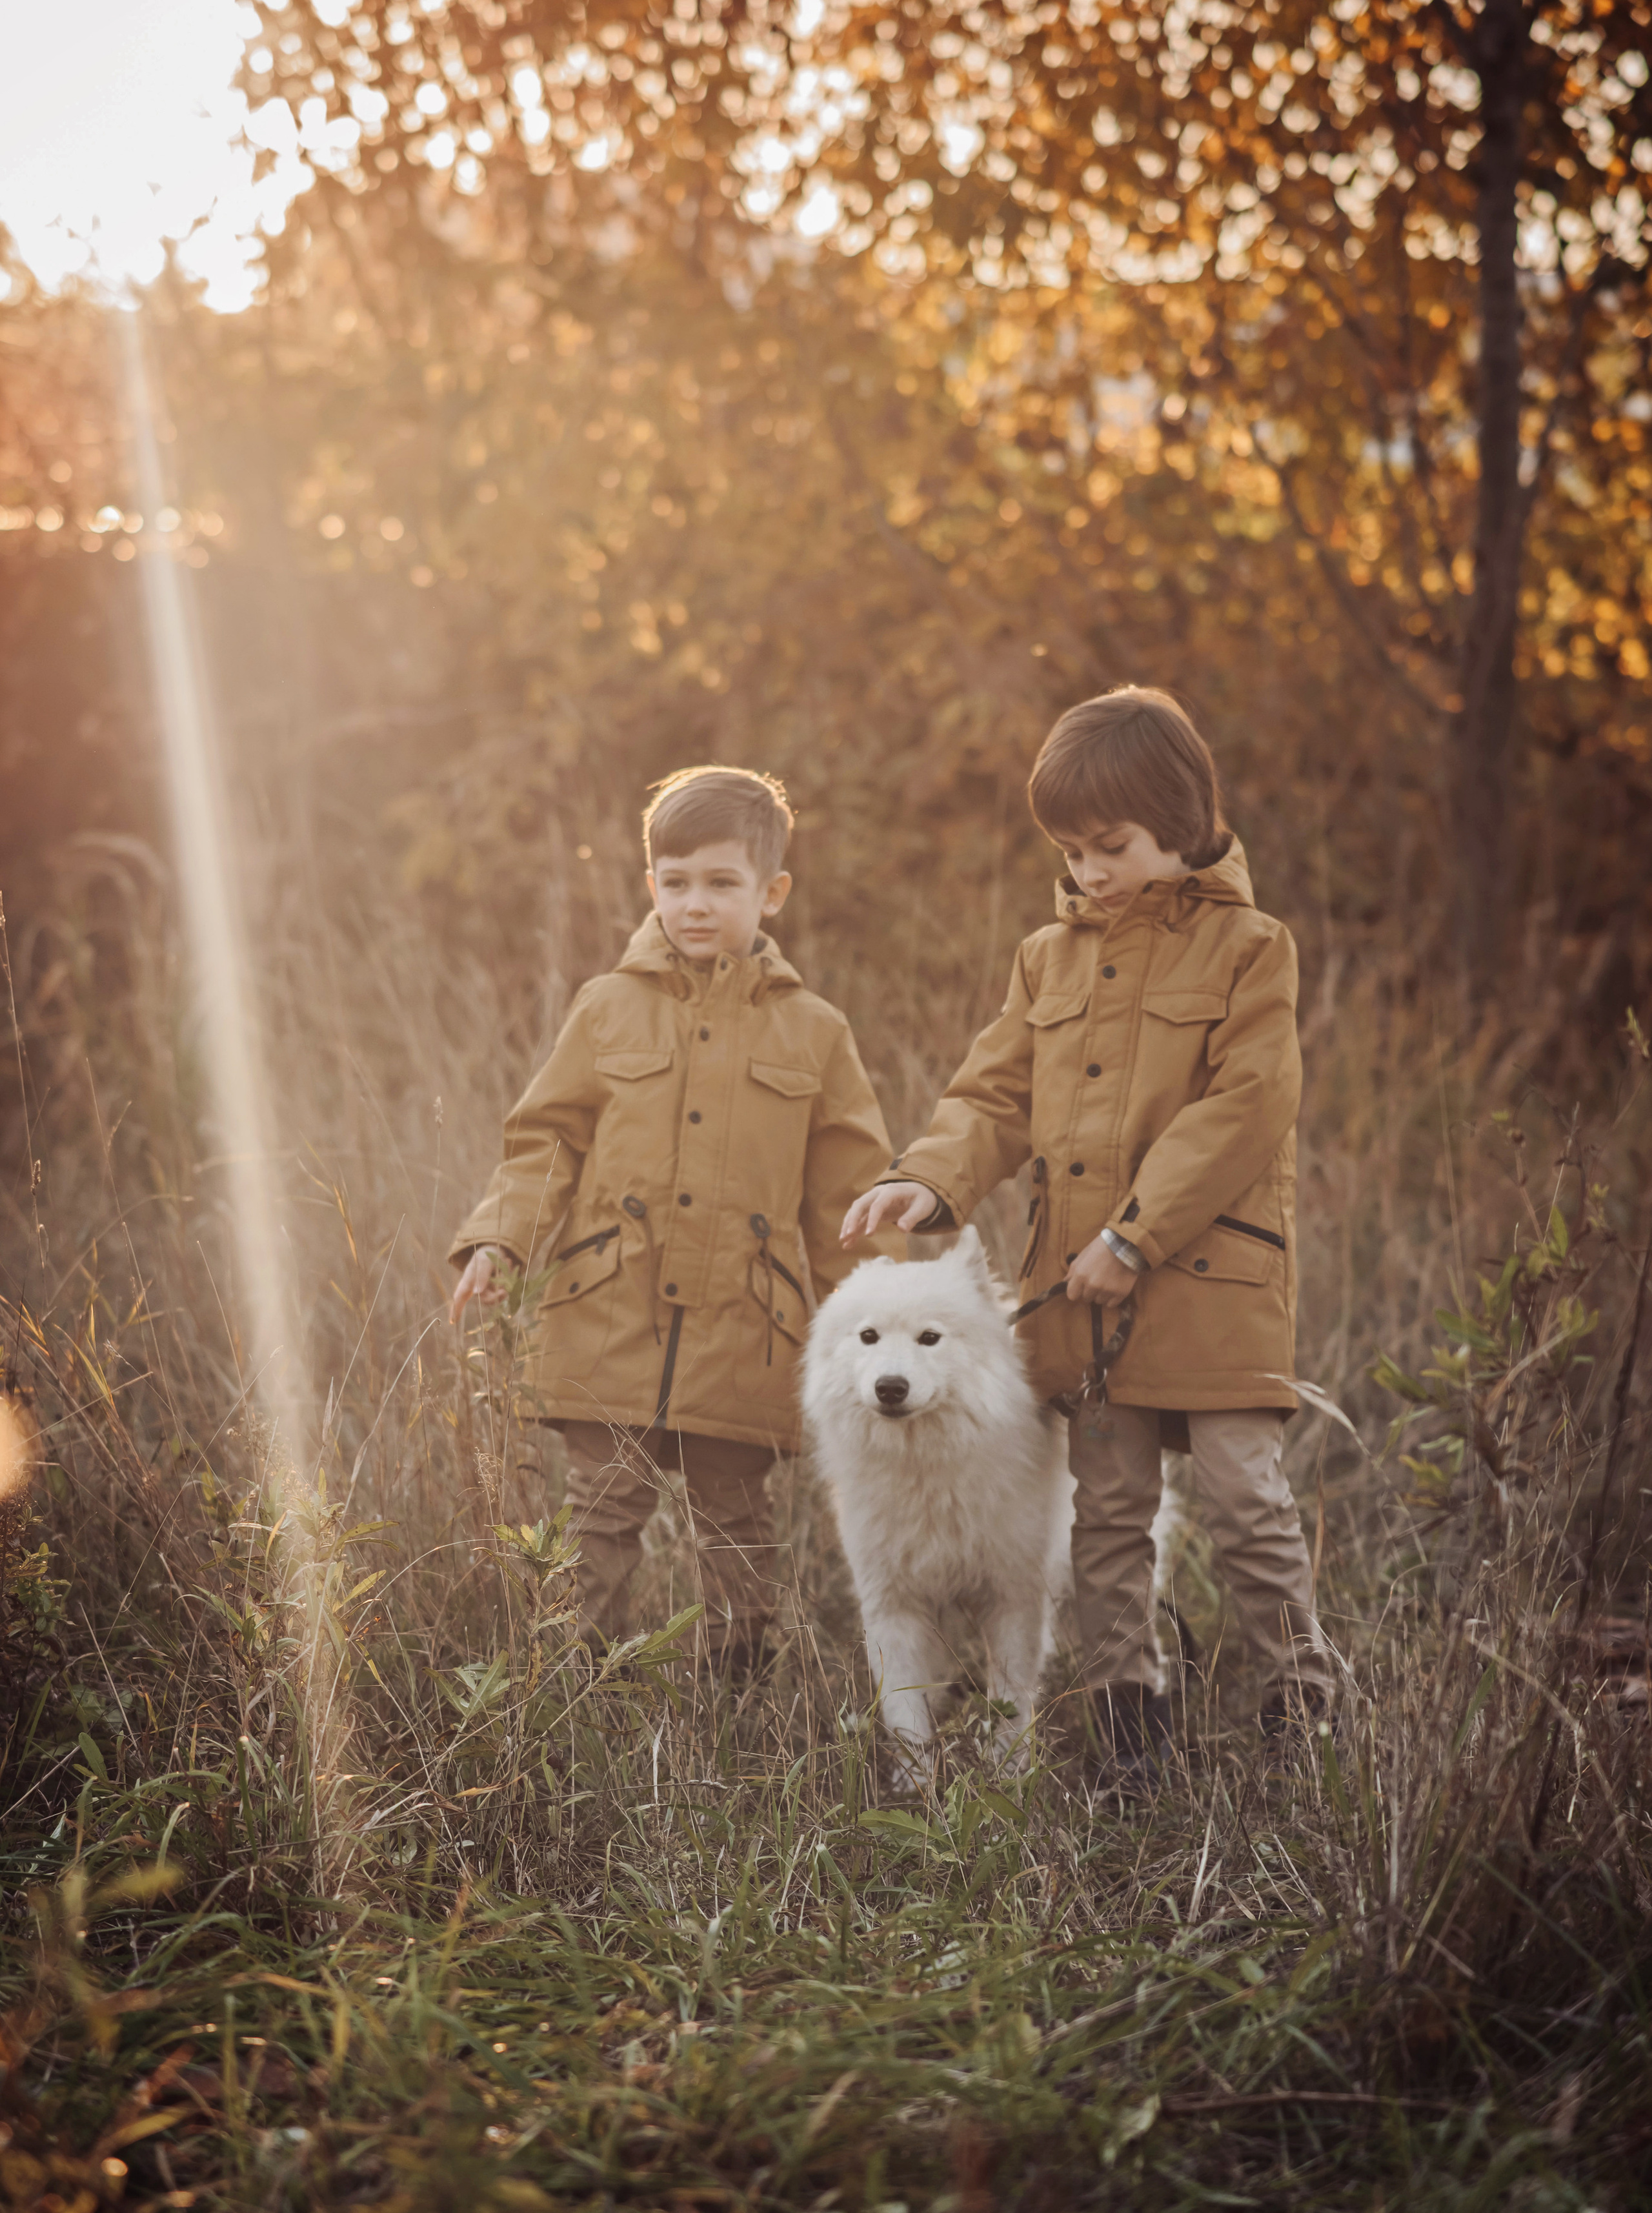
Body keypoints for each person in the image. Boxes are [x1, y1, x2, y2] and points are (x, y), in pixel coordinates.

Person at [841, 686, 1338, 1775]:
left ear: (1182, 819)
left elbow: (1244, 1109)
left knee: (1247, 1500)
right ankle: (1131, 1731)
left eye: (1109, 846)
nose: (1088, 872)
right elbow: (992, 1097)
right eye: (1071, 852)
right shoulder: (1047, 960)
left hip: (1210, 1291)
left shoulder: (1255, 950)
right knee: (1107, 1522)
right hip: (1086, 1307)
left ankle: (1305, 1711)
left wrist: (1135, 1235)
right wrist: (928, 1183)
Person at [449, 764, 896, 1677]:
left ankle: (733, 1699)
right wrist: (500, 1236)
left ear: (770, 892)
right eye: (677, 881)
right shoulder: (606, 1007)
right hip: (610, 1311)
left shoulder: (814, 1032)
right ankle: (579, 1690)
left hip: (746, 1324)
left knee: (735, 1522)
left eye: (723, 883)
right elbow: (548, 1142)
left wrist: (876, 1332)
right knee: (600, 1512)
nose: (697, 904)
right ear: (650, 886)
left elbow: (848, 1198)